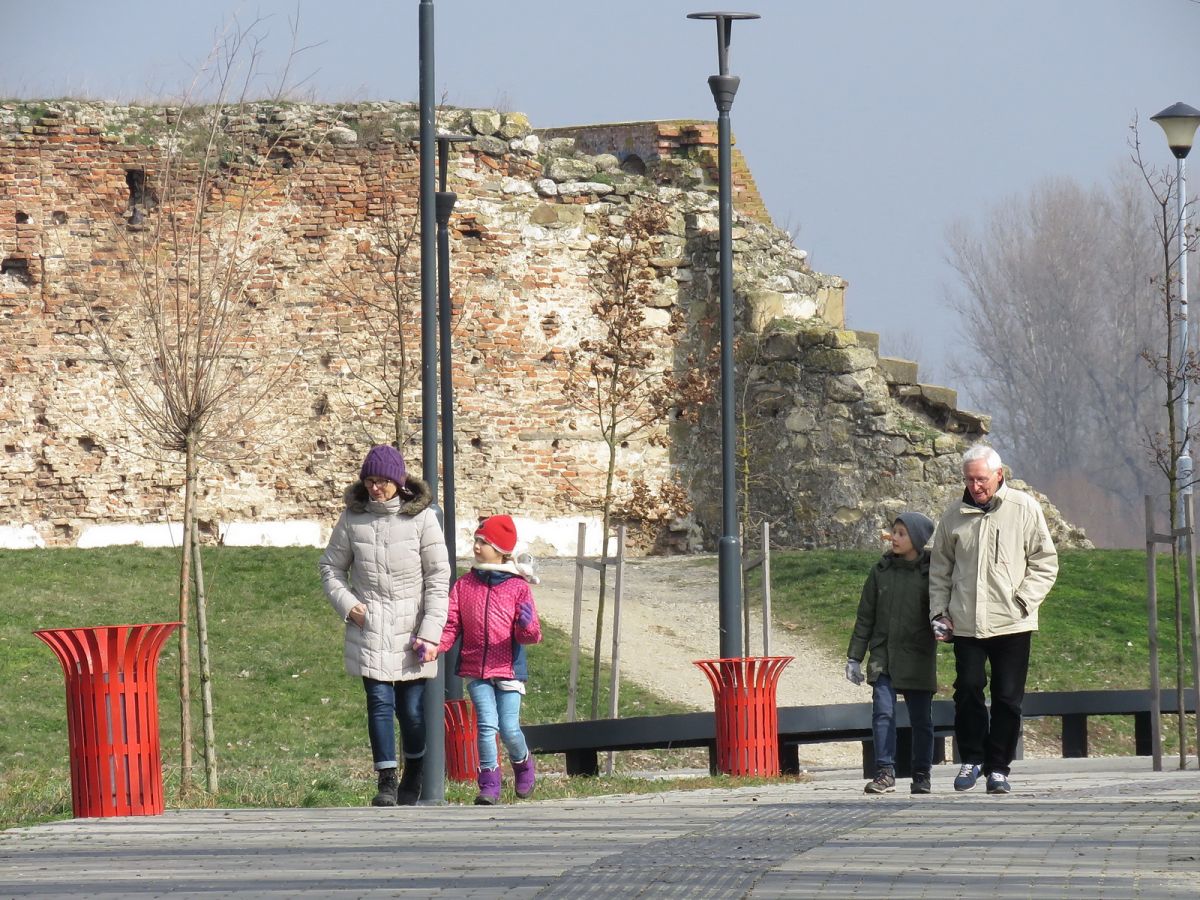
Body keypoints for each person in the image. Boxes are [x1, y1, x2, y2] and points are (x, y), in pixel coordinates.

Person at [319, 444, 450, 807]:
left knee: (410, 710)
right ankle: (386, 780)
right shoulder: (352, 518)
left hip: (412, 629)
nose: (376, 488)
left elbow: (439, 577)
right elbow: (330, 567)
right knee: (378, 701)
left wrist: (430, 632)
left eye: (383, 482)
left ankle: (416, 771)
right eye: (371, 481)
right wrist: (349, 606)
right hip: (371, 625)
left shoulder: (421, 519)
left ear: (399, 482)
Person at [929, 444, 1058, 795]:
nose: (976, 486)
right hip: (966, 622)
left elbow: (1045, 562)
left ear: (999, 475)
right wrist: (939, 614)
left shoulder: (1024, 508)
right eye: (970, 480)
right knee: (967, 689)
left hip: (1012, 622)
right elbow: (940, 570)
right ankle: (971, 759)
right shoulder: (952, 516)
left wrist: (1022, 601)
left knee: (1007, 698)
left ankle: (998, 768)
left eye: (981, 479)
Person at [438, 514, 543, 805]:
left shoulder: (517, 586)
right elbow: (451, 625)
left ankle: (523, 766)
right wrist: (436, 647)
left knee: (509, 729)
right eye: (476, 540)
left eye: (483, 542)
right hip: (477, 670)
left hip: (508, 671)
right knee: (486, 726)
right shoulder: (464, 585)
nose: (476, 547)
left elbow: (532, 635)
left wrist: (525, 624)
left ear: (501, 550)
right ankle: (488, 785)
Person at [846, 511, 938, 795]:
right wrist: (854, 657)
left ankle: (922, 774)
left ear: (917, 539)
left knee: (921, 719)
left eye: (901, 533)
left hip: (918, 655)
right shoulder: (880, 571)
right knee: (882, 713)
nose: (893, 538)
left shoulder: (932, 572)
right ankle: (884, 771)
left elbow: (944, 607)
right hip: (883, 655)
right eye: (893, 532)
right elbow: (865, 617)